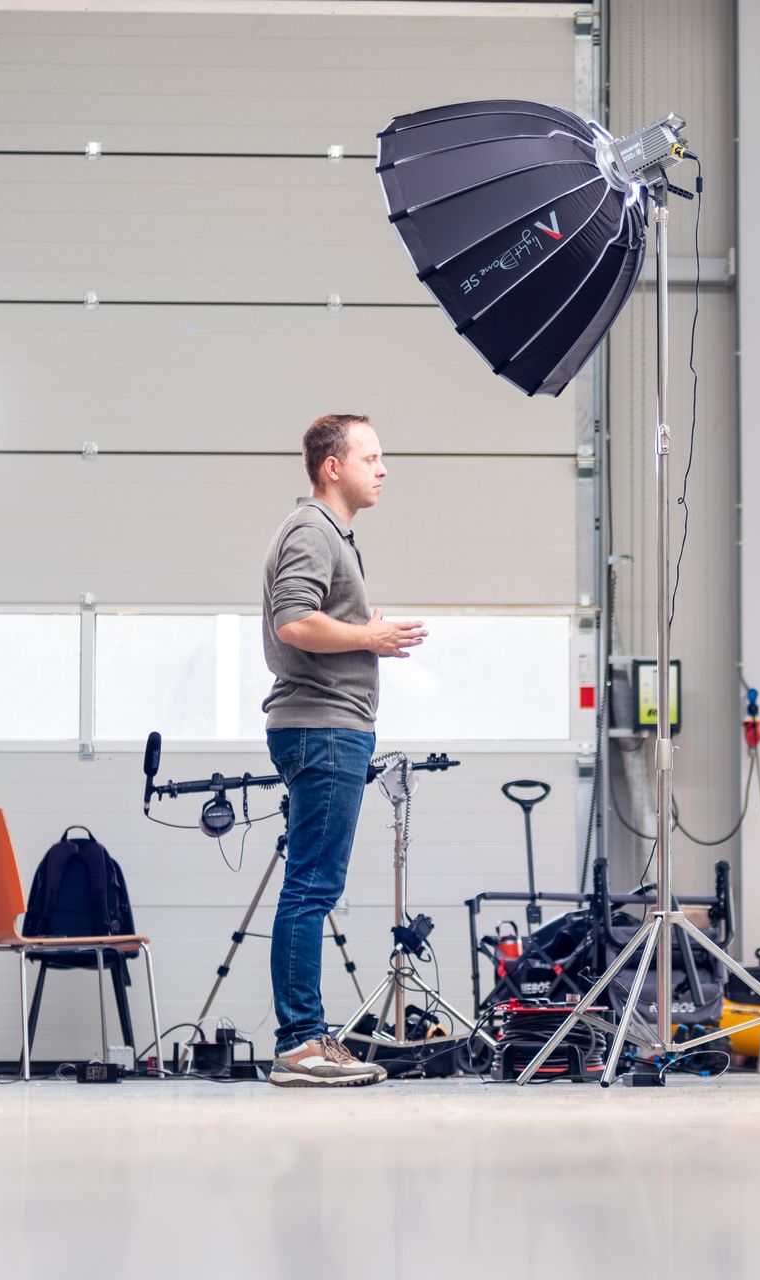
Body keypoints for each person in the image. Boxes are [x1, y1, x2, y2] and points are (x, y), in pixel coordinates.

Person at [260, 414, 424, 1087]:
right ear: (333, 466)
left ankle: (309, 1038)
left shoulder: (330, 536)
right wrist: (369, 638)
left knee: (311, 885)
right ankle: (300, 1044)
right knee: (310, 888)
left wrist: (365, 634)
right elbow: (294, 621)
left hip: (333, 725)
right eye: (371, 457)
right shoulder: (310, 530)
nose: (382, 469)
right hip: (324, 726)